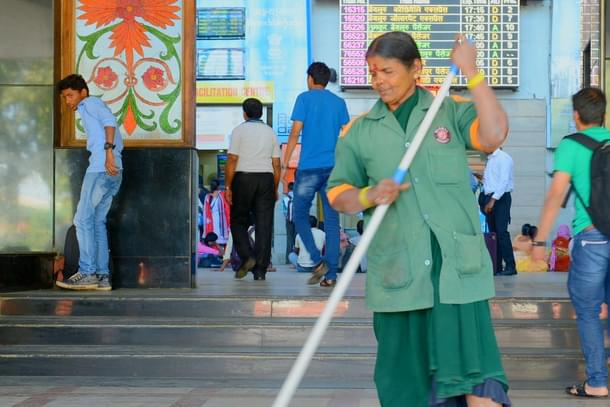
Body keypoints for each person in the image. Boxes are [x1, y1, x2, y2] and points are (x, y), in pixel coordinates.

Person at [326, 32, 511, 406]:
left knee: (478, 383)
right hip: (399, 279)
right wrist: (368, 195)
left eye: (388, 72)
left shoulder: (451, 110)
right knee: (406, 391)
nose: (379, 80)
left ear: (416, 69)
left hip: (456, 275)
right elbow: (337, 195)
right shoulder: (358, 132)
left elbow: (493, 136)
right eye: (373, 72)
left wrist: (472, 71)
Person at [532, 87, 610, 399]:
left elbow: (555, 196)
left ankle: (597, 382)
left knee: (589, 312)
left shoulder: (571, 145)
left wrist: (540, 240)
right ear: (603, 114)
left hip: (592, 239)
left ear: (575, 116)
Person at [283, 62, 350, 287]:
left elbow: (294, 133)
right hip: (333, 169)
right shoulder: (339, 103)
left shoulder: (304, 98)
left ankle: (315, 258)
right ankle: (330, 276)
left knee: (300, 215)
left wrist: (285, 164)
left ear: (311, 78)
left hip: (309, 168)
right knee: (332, 222)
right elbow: (346, 136)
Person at [55, 74, 123, 291]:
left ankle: (87, 272)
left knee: (82, 219)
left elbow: (110, 122)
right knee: (96, 222)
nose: (67, 101)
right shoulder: (88, 107)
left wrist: (108, 153)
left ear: (82, 92)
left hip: (101, 169)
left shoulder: (90, 103)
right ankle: (103, 277)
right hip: (113, 171)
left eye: (70, 95)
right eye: (64, 97)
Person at [226, 98, 281, 281]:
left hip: (243, 178)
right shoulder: (270, 132)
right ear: (261, 113)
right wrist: (274, 187)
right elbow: (276, 164)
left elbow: (232, 159)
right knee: (264, 225)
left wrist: (228, 186)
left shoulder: (239, 131)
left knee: (238, 220)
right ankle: (260, 271)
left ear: (245, 113)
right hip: (266, 178)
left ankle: (247, 256)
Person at [479, 148, 516, 276]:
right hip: (490, 197)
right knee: (494, 234)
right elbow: (491, 181)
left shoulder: (503, 158)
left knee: (501, 233)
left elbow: (503, 182)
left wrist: (493, 200)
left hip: (500, 199)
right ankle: (498, 266)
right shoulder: (489, 160)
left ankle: (511, 266)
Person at [201, 179, 230, 245]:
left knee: (213, 236)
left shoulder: (207, 197)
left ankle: (215, 251)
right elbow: (227, 209)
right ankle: (220, 251)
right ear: (218, 187)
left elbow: (205, 212)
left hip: (211, 220)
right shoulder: (222, 195)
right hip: (221, 220)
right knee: (220, 237)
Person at [282, 182, 296, 263]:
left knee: (289, 239)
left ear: (288, 189)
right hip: (297, 220)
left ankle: (288, 260)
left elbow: (283, 211)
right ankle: (298, 259)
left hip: (288, 221)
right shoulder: (299, 198)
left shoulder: (285, 199)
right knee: (297, 239)